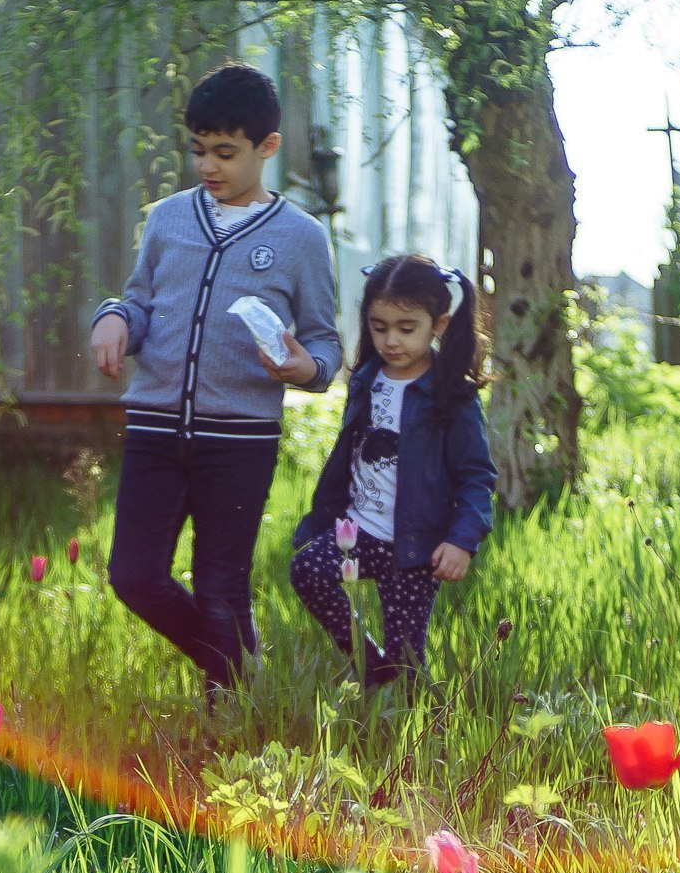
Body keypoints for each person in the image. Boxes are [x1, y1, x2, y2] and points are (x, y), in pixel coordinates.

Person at [89, 63, 342, 696]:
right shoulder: (169, 219)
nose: (209, 166)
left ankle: (230, 717)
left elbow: (325, 344)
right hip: (153, 430)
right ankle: (236, 670)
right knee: (134, 576)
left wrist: (303, 368)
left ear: (268, 148)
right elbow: (139, 301)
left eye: (226, 153)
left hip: (241, 440)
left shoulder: (300, 238)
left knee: (221, 585)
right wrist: (114, 320)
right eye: (199, 151)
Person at [288, 253, 495, 686]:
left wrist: (462, 540)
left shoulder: (451, 394)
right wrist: (326, 516)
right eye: (379, 328)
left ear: (438, 325)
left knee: (408, 656)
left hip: (415, 547)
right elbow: (349, 452)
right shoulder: (366, 378)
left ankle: (412, 722)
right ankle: (372, 669)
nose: (391, 341)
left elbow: (477, 474)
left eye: (406, 328)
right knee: (308, 570)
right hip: (359, 532)